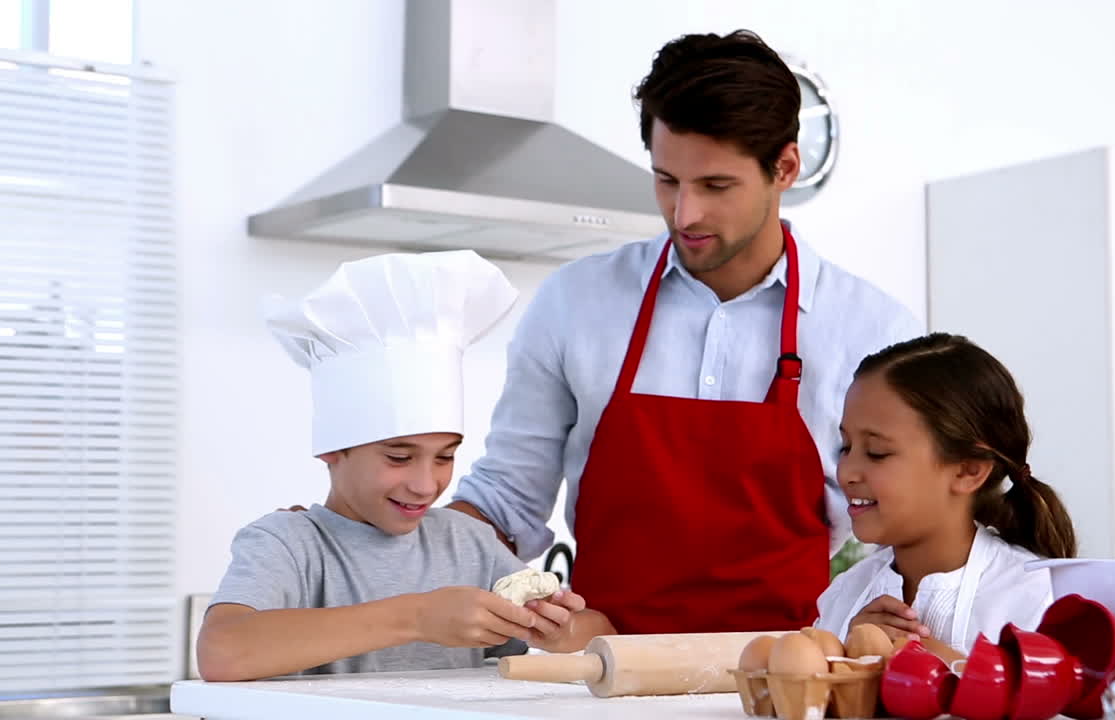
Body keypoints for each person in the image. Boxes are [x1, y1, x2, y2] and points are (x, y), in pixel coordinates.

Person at [448, 30, 921, 634]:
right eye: (667, 180)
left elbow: (906, 528)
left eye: (715, 186)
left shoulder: (873, 330)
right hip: (600, 669)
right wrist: (370, 538)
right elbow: (506, 499)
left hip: (787, 673)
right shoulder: (576, 302)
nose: (684, 214)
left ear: (785, 167)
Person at [197, 251, 613, 682]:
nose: (425, 484)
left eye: (445, 456)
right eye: (399, 457)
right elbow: (223, 652)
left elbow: (602, 633)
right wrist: (417, 616)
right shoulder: (290, 544)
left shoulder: (467, 543)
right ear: (332, 451)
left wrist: (557, 630)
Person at [815, 333, 1077, 653]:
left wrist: (928, 657)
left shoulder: (1039, 601)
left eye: (877, 452)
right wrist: (846, 655)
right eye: (846, 447)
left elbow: (1054, 700)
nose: (846, 472)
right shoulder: (844, 596)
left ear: (968, 470)